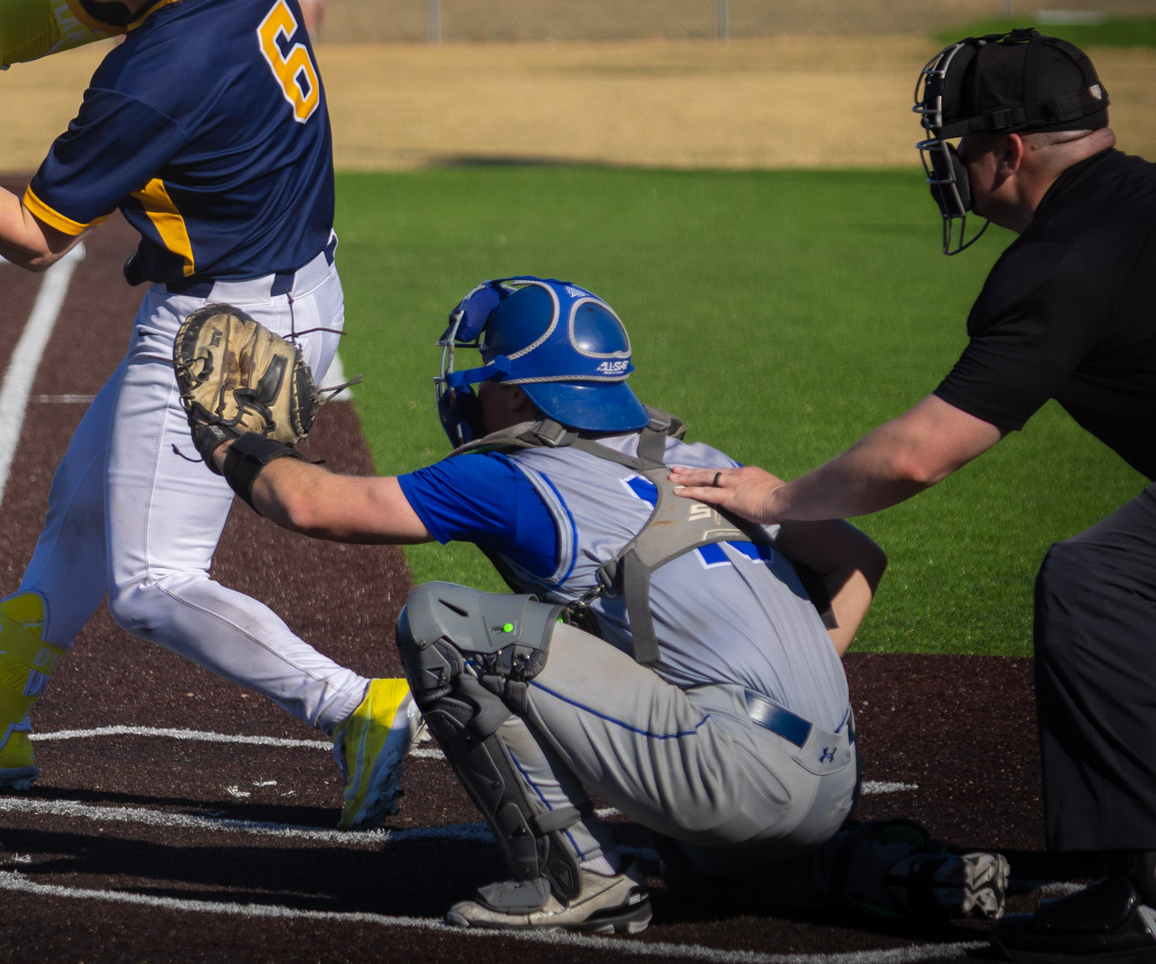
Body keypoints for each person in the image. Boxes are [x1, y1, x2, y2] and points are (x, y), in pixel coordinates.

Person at [0, 0, 420, 830]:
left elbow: (30, 236)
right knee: (80, 507)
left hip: (231, 330)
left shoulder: (155, 77)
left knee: (151, 585)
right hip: (263, 293)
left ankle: (356, 704)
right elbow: (66, 13)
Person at [184, 275, 1010, 933]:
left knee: (443, 622)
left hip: (735, 775)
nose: (468, 386)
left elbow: (315, 505)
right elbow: (858, 556)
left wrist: (231, 446)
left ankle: (575, 881)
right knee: (703, 858)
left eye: (484, 372)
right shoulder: (692, 455)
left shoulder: (512, 476)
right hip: (832, 776)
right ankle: (889, 873)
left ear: (520, 395)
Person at [672, 29, 1156, 963]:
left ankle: (1152, 889)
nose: (951, 166)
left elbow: (916, 456)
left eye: (960, 144)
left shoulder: (1061, 259)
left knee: (1098, 582)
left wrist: (782, 499)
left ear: (1008, 151)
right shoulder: (1147, 197)